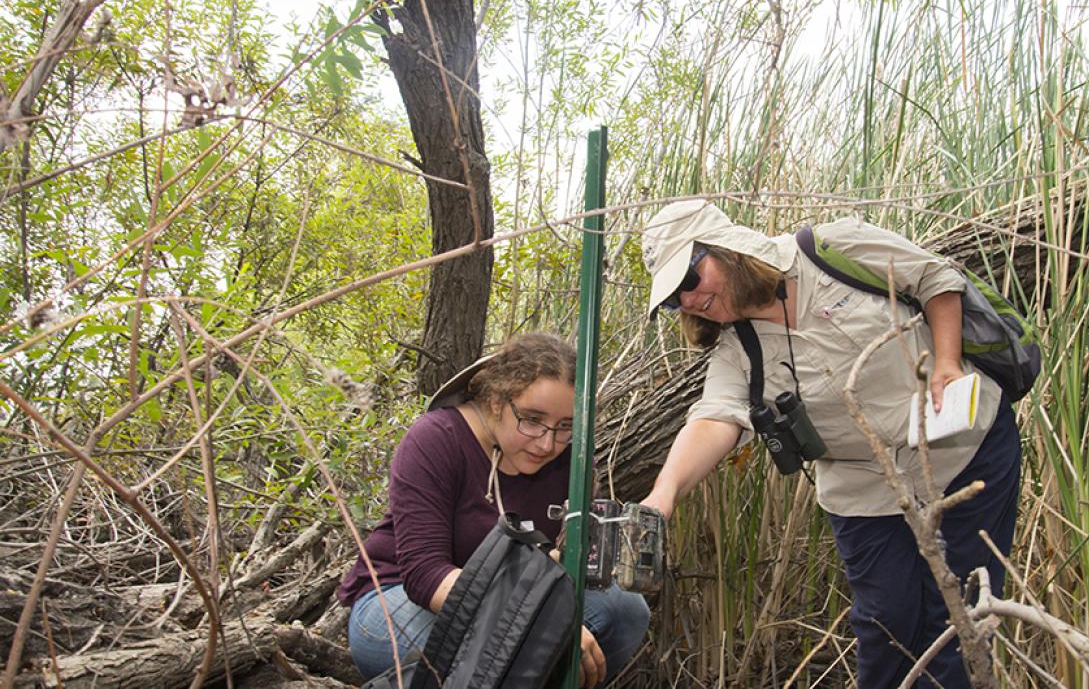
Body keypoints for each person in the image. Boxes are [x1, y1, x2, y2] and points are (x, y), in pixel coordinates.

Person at [638, 200, 1022, 689]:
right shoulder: (739, 351)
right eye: (674, 299)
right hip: (864, 491)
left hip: (966, 453)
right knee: (885, 627)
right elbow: (715, 417)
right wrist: (663, 494)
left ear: (725, 248)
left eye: (688, 281)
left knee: (958, 620)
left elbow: (934, 279)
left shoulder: (830, 249)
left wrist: (946, 361)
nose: (688, 302)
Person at [337, 332, 650, 688]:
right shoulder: (436, 439)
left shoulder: (571, 458)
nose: (547, 443)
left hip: (515, 600)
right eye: (531, 419)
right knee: (506, 648)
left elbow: (564, 564)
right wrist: (541, 625)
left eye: (565, 426)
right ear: (497, 401)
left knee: (624, 610)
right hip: (397, 601)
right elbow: (425, 576)